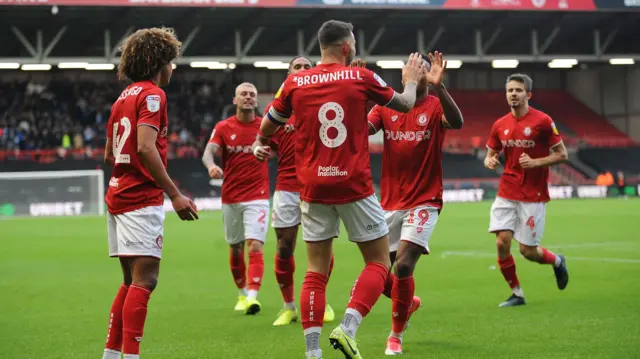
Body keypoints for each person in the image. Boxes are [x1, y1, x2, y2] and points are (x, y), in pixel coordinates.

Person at [253, 19, 425, 359]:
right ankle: (347, 328)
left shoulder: (294, 82)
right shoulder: (360, 77)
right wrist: (411, 81)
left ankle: (313, 352)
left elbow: (266, 126)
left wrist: (264, 142)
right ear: (346, 47)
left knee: (315, 270)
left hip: (312, 187)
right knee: (377, 262)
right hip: (353, 184)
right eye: (355, 44)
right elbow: (406, 104)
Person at [102, 27, 199, 359]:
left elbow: (109, 156)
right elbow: (145, 147)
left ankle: (112, 355)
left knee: (130, 280)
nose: (173, 68)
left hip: (118, 195)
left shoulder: (122, 97)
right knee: (146, 280)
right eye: (171, 62)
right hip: (140, 199)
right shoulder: (153, 95)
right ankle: (130, 356)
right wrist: (174, 194)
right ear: (160, 62)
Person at [366, 51, 464, 356]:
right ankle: (409, 302)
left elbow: (458, 122)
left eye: (416, 67)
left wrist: (441, 87)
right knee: (380, 273)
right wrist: (357, 96)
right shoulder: (386, 106)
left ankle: (395, 335)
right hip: (391, 202)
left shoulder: (435, 106)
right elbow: (361, 130)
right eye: (405, 67)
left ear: (426, 74)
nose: (408, 71)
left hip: (425, 198)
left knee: (405, 264)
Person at [484, 73, 570, 308]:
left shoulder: (542, 121)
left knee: (528, 252)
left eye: (518, 90)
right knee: (502, 242)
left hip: (534, 194)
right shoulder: (499, 124)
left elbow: (563, 154)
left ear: (528, 95)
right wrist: (489, 161)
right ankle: (517, 294)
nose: (513, 94)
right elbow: (490, 154)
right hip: (507, 190)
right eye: (510, 90)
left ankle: (557, 261)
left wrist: (536, 162)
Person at [266, 56, 336, 327]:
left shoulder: (324, 105)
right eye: (298, 67)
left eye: (309, 67)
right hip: (286, 187)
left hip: (317, 185)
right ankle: (289, 306)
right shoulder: (279, 110)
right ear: (289, 75)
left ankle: (323, 301)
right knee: (285, 247)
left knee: (321, 249)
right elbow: (264, 140)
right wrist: (260, 149)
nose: (304, 71)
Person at [201, 82, 270, 315]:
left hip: (258, 195)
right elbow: (208, 152)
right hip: (231, 196)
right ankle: (241, 293)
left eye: (252, 94)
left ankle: (252, 296)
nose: (248, 97)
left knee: (255, 244)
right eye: (243, 94)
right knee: (236, 247)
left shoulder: (265, 127)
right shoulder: (223, 127)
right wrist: (211, 166)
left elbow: (286, 150)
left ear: (257, 100)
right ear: (235, 100)